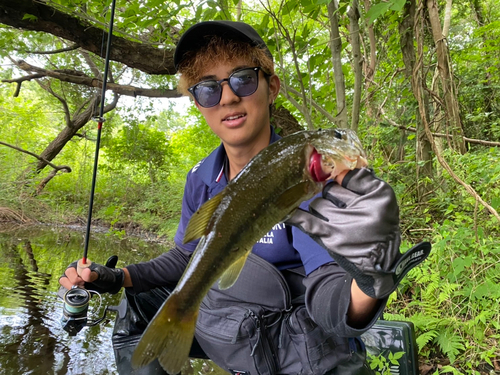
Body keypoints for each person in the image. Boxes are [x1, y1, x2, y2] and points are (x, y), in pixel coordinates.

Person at [59, 20, 429, 375]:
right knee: (138, 301)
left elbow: (328, 298)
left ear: (273, 87)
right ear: (197, 102)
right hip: (226, 326)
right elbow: (189, 256)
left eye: (243, 79)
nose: (229, 96)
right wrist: (116, 276)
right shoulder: (201, 178)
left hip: (291, 341)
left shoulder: (316, 182)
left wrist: (368, 280)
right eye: (208, 87)